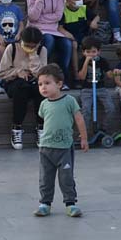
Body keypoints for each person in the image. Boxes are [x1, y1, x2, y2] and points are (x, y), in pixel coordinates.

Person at [33, 64, 88, 218]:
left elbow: (79, 119)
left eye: (47, 83)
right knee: (45, 178)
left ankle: (70, 203)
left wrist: (83, 137)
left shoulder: (69, 100)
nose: (43, 87)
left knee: (66, 177)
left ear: (59, 84)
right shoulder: (43, 104)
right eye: (40, 84)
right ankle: (45, 203)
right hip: (45, 148)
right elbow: (45, 119)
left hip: (64, 148)